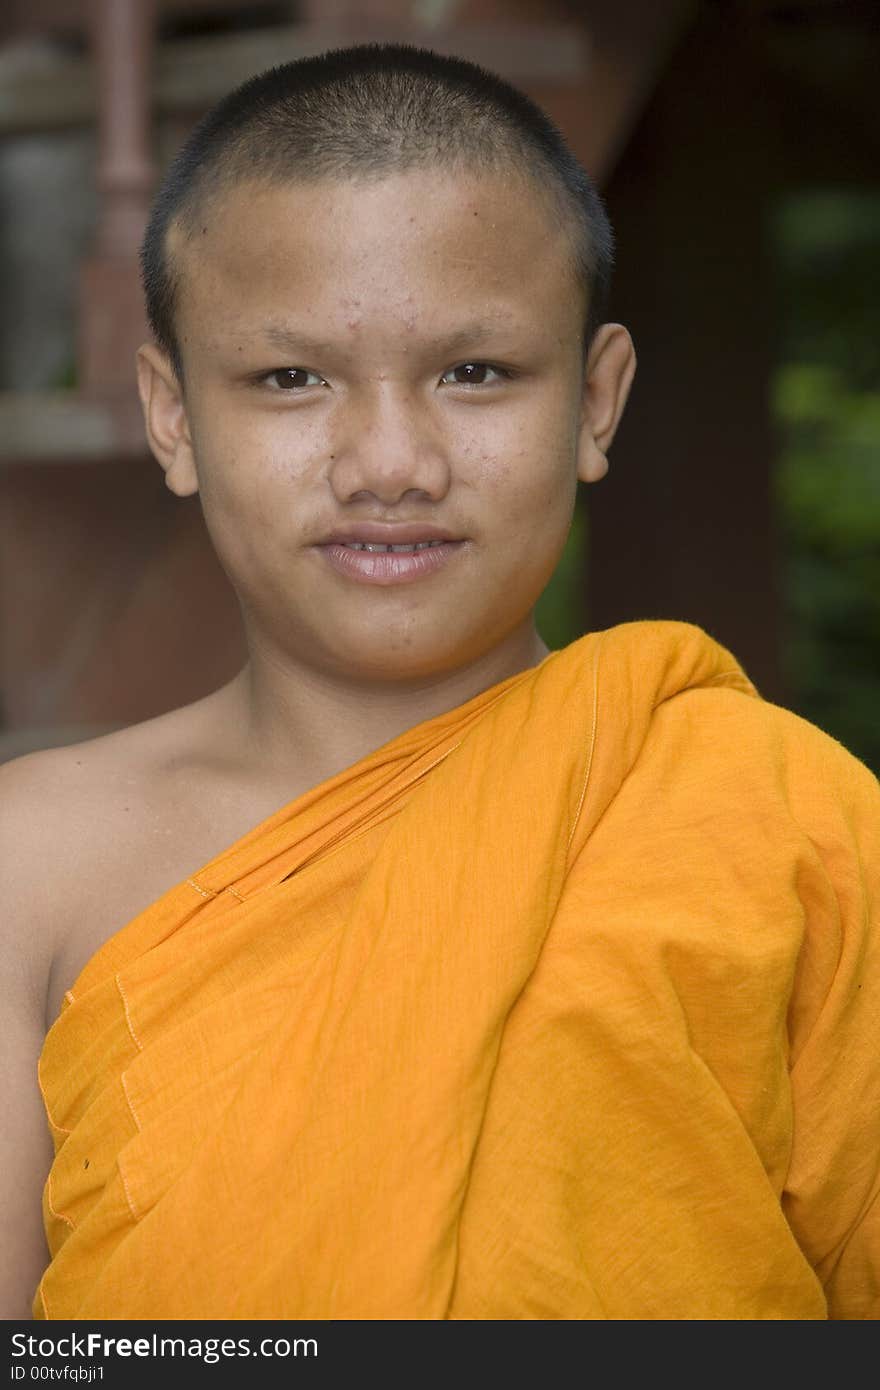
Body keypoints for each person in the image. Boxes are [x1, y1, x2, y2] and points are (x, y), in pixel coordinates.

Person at [2, 41, 878, 1324]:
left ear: (595, 401)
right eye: (290, 379)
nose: (392, 462)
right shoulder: (32, 862)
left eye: (475, 372)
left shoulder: (784, 821)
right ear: (174, 416)